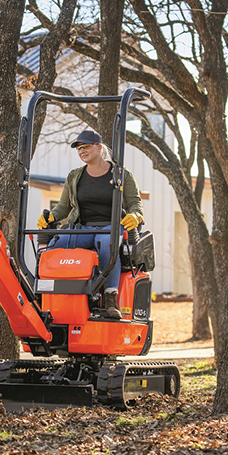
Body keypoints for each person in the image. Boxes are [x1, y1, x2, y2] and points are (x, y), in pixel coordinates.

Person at [36, 129, 144, 320]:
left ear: (99, 147)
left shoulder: (121, 174)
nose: (82, 151)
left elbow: (135, 202)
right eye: (79, 148)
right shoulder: (75, 176)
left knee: (106, 245)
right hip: (83, 228)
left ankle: (111, 299)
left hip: (110, 227)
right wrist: (51, 217)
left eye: (85, 147)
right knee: (54, 247)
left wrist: (136, 215)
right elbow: (63, 207)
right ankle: (44, 293)